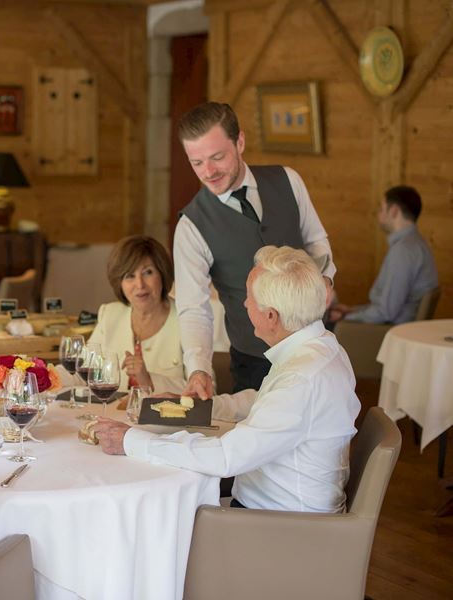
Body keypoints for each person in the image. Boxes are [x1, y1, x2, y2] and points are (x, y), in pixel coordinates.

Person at [96, 246, 361, 513]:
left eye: (249, 298)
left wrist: (131, 441)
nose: (244, 304)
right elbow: (262, 400)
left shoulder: (301, 379)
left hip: (279, 524)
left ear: (271, 316)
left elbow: (225, 458)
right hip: (283, 507)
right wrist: (191, 407)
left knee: (156, 515)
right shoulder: (319, 348)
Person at [174, 102, 336, 396]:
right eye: (196, 163)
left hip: (315, 347)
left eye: (217, 157)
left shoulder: (288, 180)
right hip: (253, 363)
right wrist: (199, 369)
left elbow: (316, 243)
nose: (208, 172)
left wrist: (325, 280)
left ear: (240, 142)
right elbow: (193, 308)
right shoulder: (191, 226)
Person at [86, 235, 185, 394]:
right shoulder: (110, 314)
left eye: (148, 272)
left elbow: (206, 390)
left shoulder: (186, 319)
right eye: (129, 276)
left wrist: (149, 379)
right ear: (120, 283)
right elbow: (83, 370)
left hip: (163, 417)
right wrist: (43, 373)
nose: (140, 284)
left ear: (162, 273)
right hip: (113, 414)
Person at [330, 185, 437, 325]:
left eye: (381, 208)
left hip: (387, 332)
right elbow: (386, 307)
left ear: (393, 211)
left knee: (325, 328)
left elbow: (386, 313)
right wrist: (352, 311)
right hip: (397, 328)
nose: (379, 214)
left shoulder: (403, 252)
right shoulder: (416, 244)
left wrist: (345, 318)